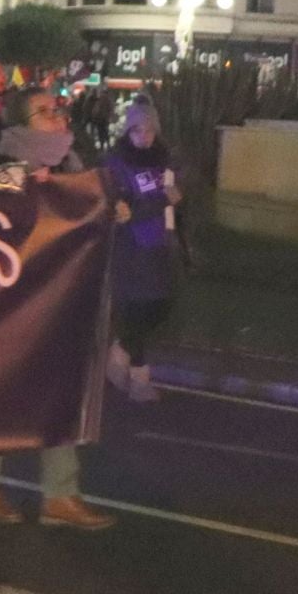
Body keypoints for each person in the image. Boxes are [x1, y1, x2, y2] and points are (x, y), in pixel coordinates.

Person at [0, 86, 117, 531]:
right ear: (18, 126)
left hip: (59, 299)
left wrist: (106, 209)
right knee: (0, 393)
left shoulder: (72, 165)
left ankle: (61, 495)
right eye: (42, 112)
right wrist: (31, 191)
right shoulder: (2, 168)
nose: (56, 118)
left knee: (59, 394)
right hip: (9, 304)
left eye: (57, 110)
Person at [102, 101, 182, 403]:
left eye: (149, 130)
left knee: (160, 306)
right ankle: (139, 377)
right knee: (137, 310)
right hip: (131, 247)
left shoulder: (163, 160)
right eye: (137, 129)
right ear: (128, 130)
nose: (143, 136)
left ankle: (118, 353)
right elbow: (124, 212)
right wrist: (162, 201)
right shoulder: (117, 163)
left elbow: (174, 191)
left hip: (161, 243)